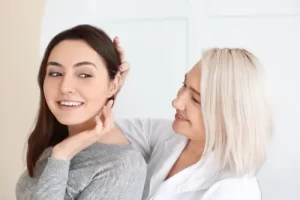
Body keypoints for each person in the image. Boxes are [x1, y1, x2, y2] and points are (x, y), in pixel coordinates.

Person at [109, 42, 274, 200]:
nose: (177, 102)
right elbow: (100, 132)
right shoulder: (169, 133)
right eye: (184, 84)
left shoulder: (236, 191)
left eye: (196, 99)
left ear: (229, 116)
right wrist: (110, 90)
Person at [15, 24, 147, 200]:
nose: (65, 87)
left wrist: (61, 157)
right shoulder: (60, 137)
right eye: (55, 73)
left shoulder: (122, 166)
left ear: (114, 84)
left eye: (84, 74)